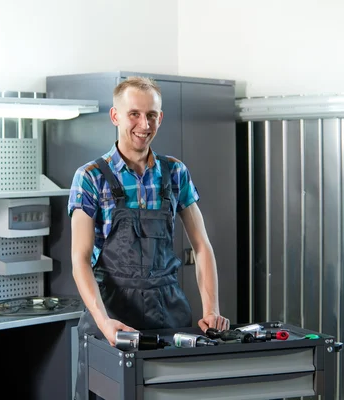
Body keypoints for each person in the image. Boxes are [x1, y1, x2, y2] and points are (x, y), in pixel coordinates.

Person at [68, 76, 229, 399]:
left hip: (168, 314)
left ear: (160, 117)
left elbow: (202, 246)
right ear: (115, 116)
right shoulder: (91, 178)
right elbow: (80, 259)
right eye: (134, 114)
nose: (144, 124)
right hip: (111, 317)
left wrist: (211, 309)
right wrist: (103, 322)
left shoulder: (175, 173)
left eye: (151, 115)